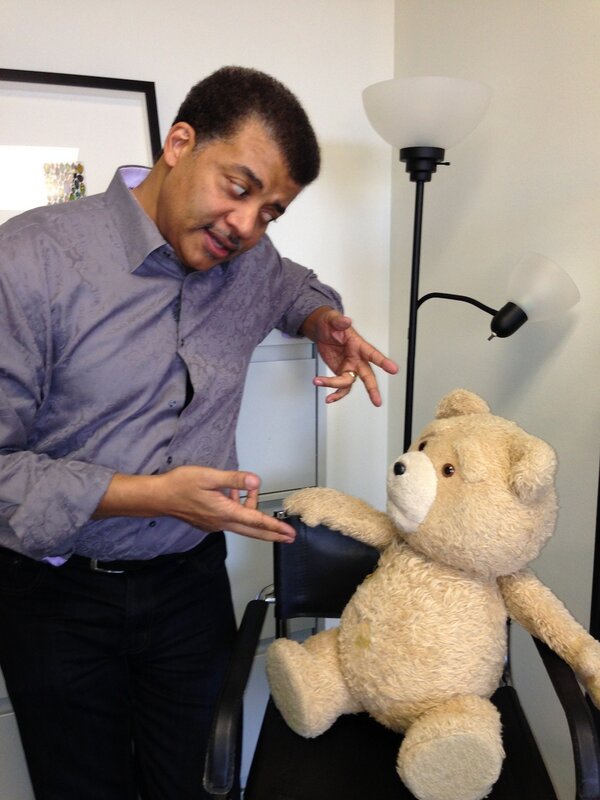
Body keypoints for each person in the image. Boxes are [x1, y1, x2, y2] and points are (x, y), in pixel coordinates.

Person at [0, 66, 398, 800]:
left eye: (270, 212)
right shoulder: (29, 261)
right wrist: (153, 495)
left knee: (198, 786)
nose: (246, 226)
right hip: (56, 598)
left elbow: (293, 285)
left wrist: (321, 320)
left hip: (190, 589)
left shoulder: (247, 261)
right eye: (238, 188)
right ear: (179, 144)